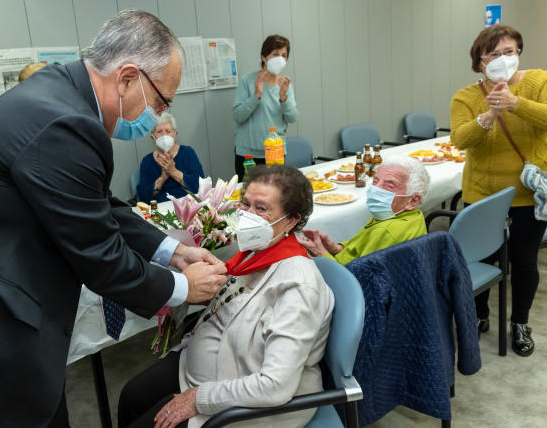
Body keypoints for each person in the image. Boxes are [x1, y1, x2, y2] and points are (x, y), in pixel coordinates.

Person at [0, 10, 228, 428]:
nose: (158, 117)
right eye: (160, 101)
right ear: (126, 78)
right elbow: (99, 256)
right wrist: (182, 287)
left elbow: (96, 204)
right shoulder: (65, 122)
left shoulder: (57, 94)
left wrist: (172, 250)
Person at [119, 164, 334, 428]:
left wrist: (199, 398)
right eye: (246, 204)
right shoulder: (255, 253)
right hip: (206, 369)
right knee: (131, 397)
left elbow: (275, 386)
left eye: (262, 208)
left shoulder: (298, 286)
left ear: (291, 219)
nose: (249, 215)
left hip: (250, 405)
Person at [450, 24, 547, 357]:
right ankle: (480, 315)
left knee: (524, 260)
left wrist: (515, 103)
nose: (504, 59)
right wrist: (490, 114)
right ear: (480, 62)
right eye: (494, 54)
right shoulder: (465, 96)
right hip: (483, 193)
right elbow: (460, 139)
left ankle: (519, 323)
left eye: (510, 51)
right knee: (477, 258)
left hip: (527, 192)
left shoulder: (539, 82)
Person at [300, 156, 429, 265]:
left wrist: (322, 255)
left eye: (389, 185)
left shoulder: (386, 231)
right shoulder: (412, 216)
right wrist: (336, 249)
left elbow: (357, 280)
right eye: (375, 181)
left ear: (413, 201)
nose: (375, 189)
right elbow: (360, 249)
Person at [232, 35, 299, 178]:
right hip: (248, 155)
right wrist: (256, 95)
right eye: (275, 54)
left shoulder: (285, 85)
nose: (280, 59)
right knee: (249, 196)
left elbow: (293, 117)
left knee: (275, 195)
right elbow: (238, 116)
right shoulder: (247, 81)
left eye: (284, 55)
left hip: (275, 153)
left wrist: (283, 98)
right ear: (264, 57)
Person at [137, 112, 204, 202]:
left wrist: (173, 171)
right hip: (161, 208)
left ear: (175, 135)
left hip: (188, 204)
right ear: (153, 138)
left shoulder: (188, 153)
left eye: (168, 131)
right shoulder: (147, 161)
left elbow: (200, 186)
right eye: (159, 132)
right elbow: (143, 197)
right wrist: (162, 178)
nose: (164, 135)